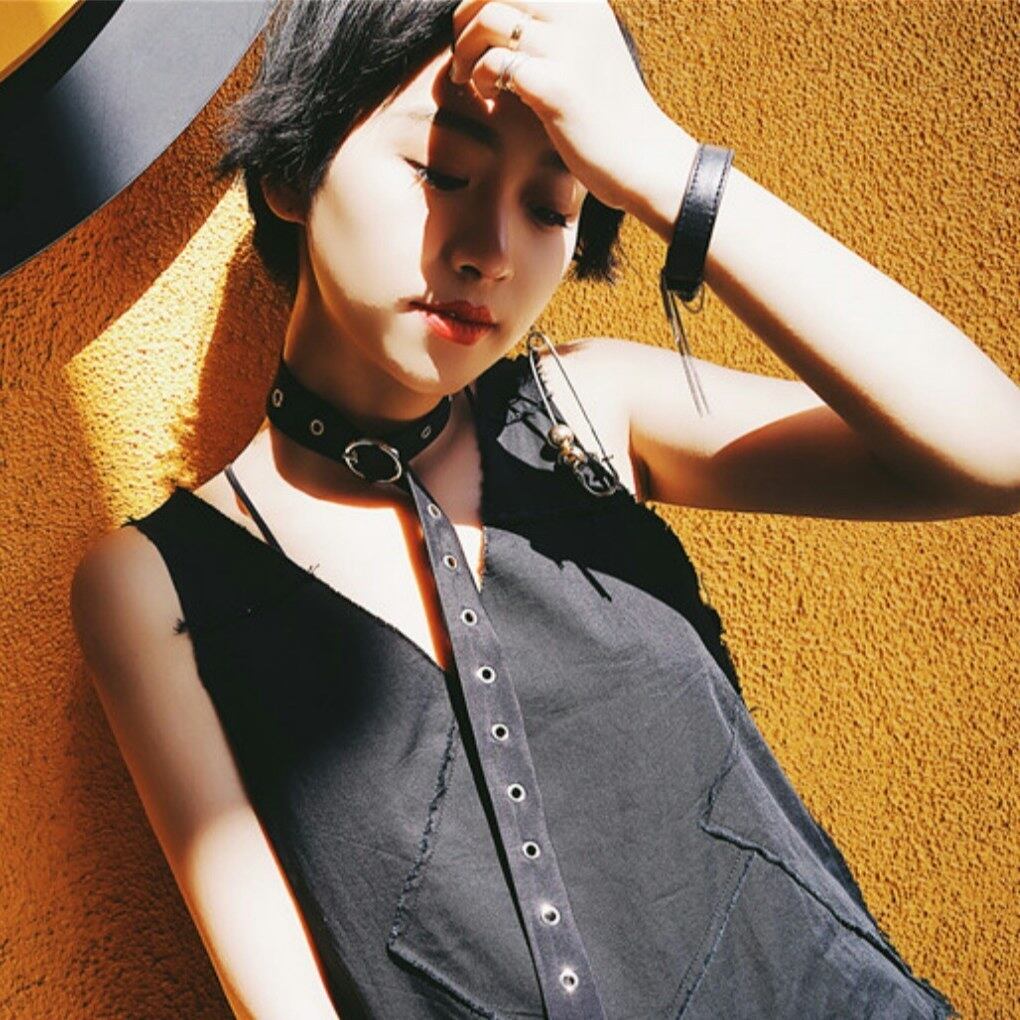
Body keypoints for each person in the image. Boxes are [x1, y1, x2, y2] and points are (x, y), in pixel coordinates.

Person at [70, 0, 1017, 1017]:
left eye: (551, 208)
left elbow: (996, 453)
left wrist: (659, 164)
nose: (490, 250)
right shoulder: (157, 585)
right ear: (294, 170)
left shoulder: (592, 407)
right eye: (442, 171)